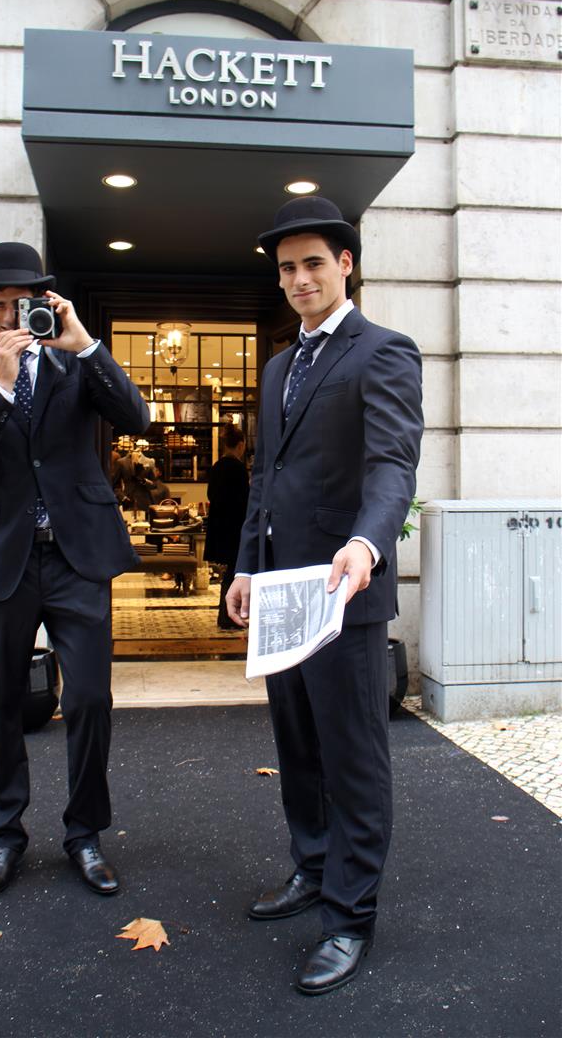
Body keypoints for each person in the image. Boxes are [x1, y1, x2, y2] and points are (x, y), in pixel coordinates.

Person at [226, 196, 423, 995]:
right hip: (279, 592)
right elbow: (267, 480)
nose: (300, 278)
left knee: (354, 759)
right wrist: (244, 566)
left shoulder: (384, 351)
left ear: (346, 264)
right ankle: (311, 867)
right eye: (287, 268)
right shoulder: (279, 364)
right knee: (298, 749)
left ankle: (349, 918)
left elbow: (393, 465)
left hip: (346, 588)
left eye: (314, 262)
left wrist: (367, 542)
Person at [0, 242, 150, 900]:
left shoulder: (74, 364)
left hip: (75, 555)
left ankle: (85, 833)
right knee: (4, 701)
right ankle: (4, 836)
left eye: (22, 304)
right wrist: (3, 387)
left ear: (44, 301)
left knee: (89, 696)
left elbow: (137, 417)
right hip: (7, 557)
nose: (10, 316)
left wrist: (86, 345)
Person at [203, 423, 250, 631]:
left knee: (229, 574)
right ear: (240, 445)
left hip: (220, 527)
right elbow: (245, 501)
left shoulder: (216, 467)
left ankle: (227, 615)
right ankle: (230, 616)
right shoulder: (238, 469)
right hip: (236, 528)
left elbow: (211, 496)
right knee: (234, 573)